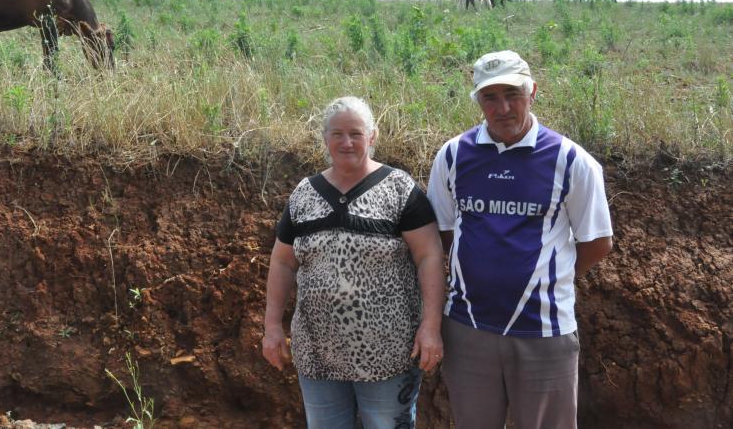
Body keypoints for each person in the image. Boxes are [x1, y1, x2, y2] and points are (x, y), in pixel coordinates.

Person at [426, 50, 614, 429]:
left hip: (544, 331)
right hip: (467, 328)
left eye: (512, 94)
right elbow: (443, 232)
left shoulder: (571, 160)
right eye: (490, 97)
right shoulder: (452, 156)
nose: (503, 107)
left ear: (533, 92)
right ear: (477, 100)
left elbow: (597, 243)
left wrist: (551, 278)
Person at [262, 96, 446, 429]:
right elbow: (282, 262)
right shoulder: (304, 195)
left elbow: (429, 256)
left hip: (388, 355)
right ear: (325, 138)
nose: (346, 142)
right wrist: (272, 326)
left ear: (372, 136)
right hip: (317, 355)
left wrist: (430, 326)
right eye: (337, 134)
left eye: (356, 133)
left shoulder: (399, 189)